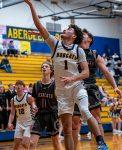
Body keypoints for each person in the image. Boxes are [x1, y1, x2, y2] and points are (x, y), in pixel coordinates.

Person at [24, 1, 107, 149]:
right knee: (67, 131)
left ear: (74, 35)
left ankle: (100, 142)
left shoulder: (78, 50)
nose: (64, 29)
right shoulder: (54, 44)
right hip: (61, 92)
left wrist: (72, 78)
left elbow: (86, 72)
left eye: (68, 29)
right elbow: (38, 24)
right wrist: (31, 4)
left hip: (76, 85)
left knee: (84, 110)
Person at [72, 29, 121, 149]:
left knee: (96, 118)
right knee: (75, 122)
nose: (81, 37)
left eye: (84, 35)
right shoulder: (73, 52)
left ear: (90, 39)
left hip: (90, 88)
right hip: (75, 87)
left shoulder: (94, 54)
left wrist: (115, 86)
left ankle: (102, 145)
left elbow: (106, 72)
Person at [30, 61, 62, 150]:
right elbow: (33, 99)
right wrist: (33, 105)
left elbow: (60, 100)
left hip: (52, 115)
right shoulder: (36, 85)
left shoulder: (55, 85)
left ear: (51, 70)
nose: (44, 68)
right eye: (42, 66)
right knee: (32, 143)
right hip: (39, 115)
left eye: (46, 66)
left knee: (56, 143)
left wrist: (60, 116)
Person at [8, 80, 36, 150]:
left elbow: (34, 107)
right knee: (16, 145)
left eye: (20, 84)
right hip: (19, 123)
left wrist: (34, 108)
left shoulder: (28, 97)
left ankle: (32, 144)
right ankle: (32, 143)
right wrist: (9, 123)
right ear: (15, 87)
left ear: (23, 87)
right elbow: (12, 113)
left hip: (29, 122)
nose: (18, 86)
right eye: (17, 85)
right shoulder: (13, 100)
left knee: (24, 144)